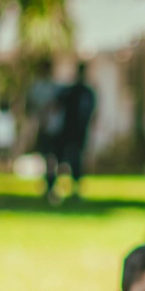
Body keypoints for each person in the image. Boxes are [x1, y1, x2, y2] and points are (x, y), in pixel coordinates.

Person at [39, 73, 96, 203]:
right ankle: (55, 187)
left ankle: (70, 187)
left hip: (72, 134)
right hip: (65, 135)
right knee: (59, 161)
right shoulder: (69, 95)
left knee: (72, 161)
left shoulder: (78, 94)